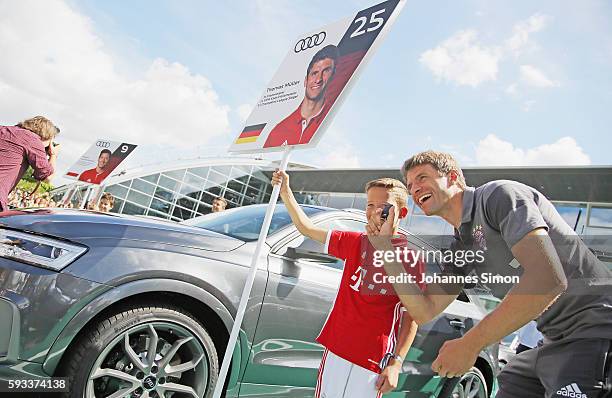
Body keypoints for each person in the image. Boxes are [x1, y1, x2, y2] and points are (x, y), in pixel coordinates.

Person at [368, 150, 612, 398]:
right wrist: (386, 249)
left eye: (422, 178)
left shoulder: (499, 196)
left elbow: (548, 279)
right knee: (516, 378)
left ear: (453, 177)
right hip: (554, 340)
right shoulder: (462, 245)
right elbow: (424, 310)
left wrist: (470, 343)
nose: (414, 189)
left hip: (597, 327)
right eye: (410, 186)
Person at [272, 170, 425, 398]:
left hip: (372, 360)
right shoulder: (355, 242)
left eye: (382, 206)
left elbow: (412, 318)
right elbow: (307, 228)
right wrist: (286, 192)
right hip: (337, 348)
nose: (374, 211)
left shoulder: (410, 260)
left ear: (401, 212)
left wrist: (396, 363)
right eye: (370, 204)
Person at [263, 45, 339, 148]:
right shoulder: (278, 131)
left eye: (325, 72)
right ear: (305, 80)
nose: (318, 79)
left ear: (332, 78)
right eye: (314, 73)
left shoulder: (334, 127)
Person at [0, 116, 60, 212]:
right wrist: (53, 155)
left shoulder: (3, 129)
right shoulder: (33, 140)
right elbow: (47, 178)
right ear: (46, 136)